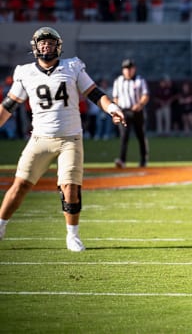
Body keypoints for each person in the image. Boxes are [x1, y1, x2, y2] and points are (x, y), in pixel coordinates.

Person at [0, 27, 126, 251]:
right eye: (42, 43)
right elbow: (9, 105)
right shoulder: (25, 72)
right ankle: (0, 226)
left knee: (70, 186)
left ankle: (72, 236)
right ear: (35, 47)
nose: (46, 46)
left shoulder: (72, 66)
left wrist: (112, 107)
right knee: (19, 185)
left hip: (70, 138)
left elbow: (95, 93)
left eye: (50, 42)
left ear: (58, 46)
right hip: (40, 138)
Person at [112, 58, 150, 168]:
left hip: (137, 111)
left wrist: (140, 104)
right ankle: (122, 160)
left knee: (141, 136)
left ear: (134, 69)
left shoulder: (140, 80)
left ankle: (143, 159)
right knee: (124, 136)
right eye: (126, 68)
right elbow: (115, 98)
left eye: (130, 68)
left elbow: (145, 95)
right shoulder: (118, 81)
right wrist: (116, 110)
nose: (128, 71)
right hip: (124, 111)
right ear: (123, 70)